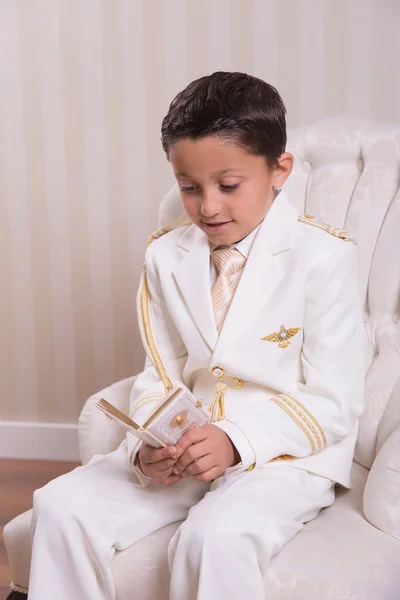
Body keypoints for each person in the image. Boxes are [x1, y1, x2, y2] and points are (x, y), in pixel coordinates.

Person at [28, 71, 364, 600]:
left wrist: (237, 441)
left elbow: (334, 401)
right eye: (188, 187)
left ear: (280, 170)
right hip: (184, 447)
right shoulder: (165, 255)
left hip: (283, 456)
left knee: (214, 537)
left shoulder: (324, 256)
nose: (207, 207)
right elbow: (158, 372)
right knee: (58, 506)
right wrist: (149, 446)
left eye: (228, 186)